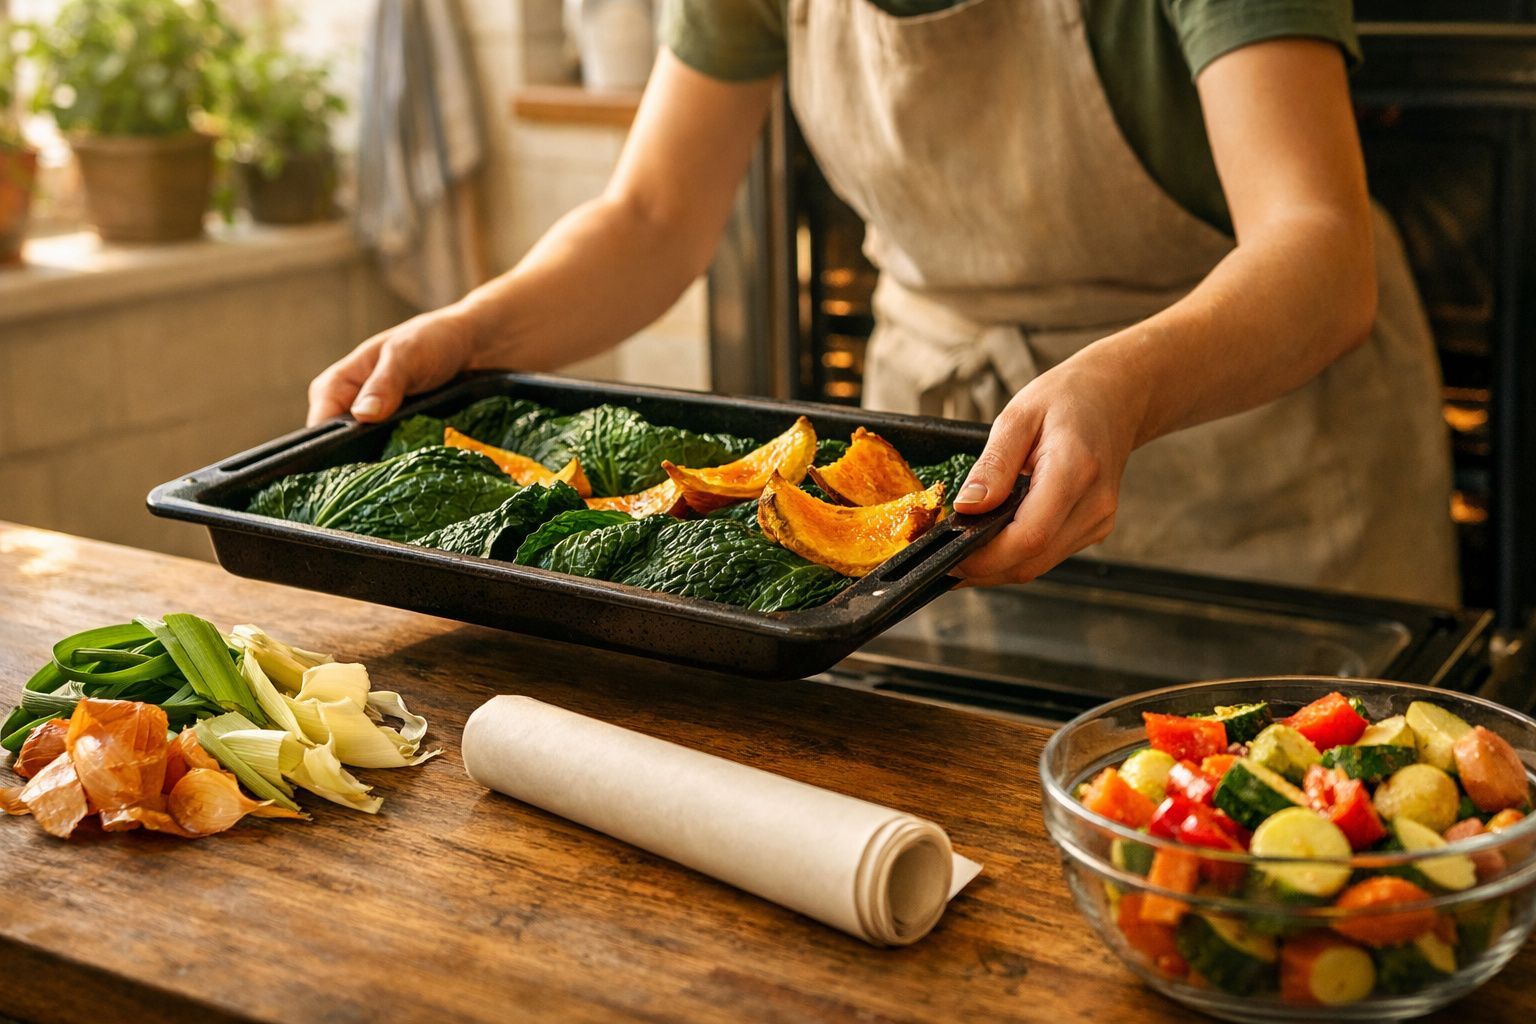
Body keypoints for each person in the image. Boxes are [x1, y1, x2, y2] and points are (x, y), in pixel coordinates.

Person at [309, 0, 1458, 606]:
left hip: (1262, 482)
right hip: (946, 488)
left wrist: (1119, 381)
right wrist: (471, 330)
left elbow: (1318, 249)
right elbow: (654, 219)